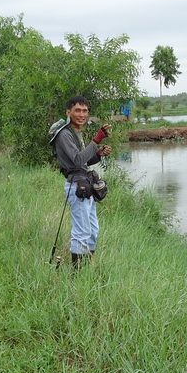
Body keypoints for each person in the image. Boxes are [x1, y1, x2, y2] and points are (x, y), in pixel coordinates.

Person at [48, 95, 112, 266]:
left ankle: (87, 266)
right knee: (82, 232)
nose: (82, 114)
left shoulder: (76, 132)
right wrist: (97, 140)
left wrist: (98, 154)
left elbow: (83, 161)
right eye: (77, 110)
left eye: (85, 111)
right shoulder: (64, 134)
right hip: (76, 187)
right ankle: (78, 274)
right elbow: (76, 161)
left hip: (86, 184)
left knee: (93, 231)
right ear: (68, 112)